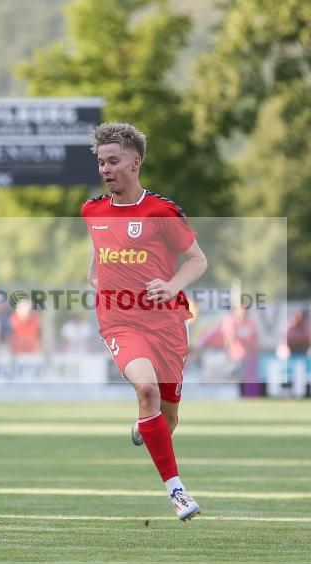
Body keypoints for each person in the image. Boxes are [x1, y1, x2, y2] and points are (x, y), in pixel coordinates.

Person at [83, 122, 207, 520]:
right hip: (120, 324)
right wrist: (106, 291)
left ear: (135, 163)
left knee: (168, 416)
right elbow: (95, 267)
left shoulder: (161, 211)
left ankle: (146, 425)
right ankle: (178, 493)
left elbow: (198, 261)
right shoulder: (93, 211)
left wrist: (171, 287)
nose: (105, 169)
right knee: (147, 390)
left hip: (167, 326)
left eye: (113, 160)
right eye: (101, 162)